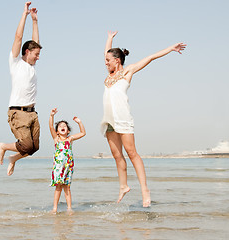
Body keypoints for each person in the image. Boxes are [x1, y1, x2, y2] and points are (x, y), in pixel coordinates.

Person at [101, 31, 186, 207]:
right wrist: (109, 38)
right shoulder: (109, 75)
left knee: (132, 153)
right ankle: (123, 186)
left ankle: (145, 190)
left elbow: (151, 57)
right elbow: (107, 52)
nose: (105, 62)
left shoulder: (127, 71)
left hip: (123, 118)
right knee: (117, 156)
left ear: (117, 60)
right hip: (109, 120)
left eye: (108, 60)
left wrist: (170, 48)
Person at [0, 2, 42, 176]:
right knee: (27, 145)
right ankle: (3, 146)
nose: (38, 58)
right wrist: (24, 15)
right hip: (18, 111)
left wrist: (35, 21)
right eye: (36, 54)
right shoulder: (16, 63)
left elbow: (35, 42)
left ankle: (13, 159)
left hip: (32, 112)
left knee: (34, 147)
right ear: (27, 52)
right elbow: (18, 37)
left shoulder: (32, 67)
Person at [49, 108, 86, 214]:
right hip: (58, 167)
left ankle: (69, 208)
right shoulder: (56, 139)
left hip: (68, 167)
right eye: (60, 126)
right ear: (57, 131)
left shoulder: (70, 139)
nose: (62, 127)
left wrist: (79, 122)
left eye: (64, 126)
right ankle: (55, 208)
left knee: (67, 188)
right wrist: (51, 116)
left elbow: (83, 133)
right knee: (58, 188)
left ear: (68, 131)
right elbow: (51, 126)